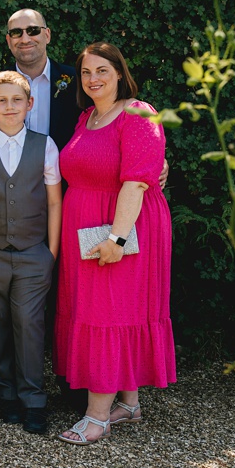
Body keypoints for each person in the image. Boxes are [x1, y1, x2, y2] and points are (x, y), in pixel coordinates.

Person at [54, 42, 176, 444]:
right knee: (102, 309)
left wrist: (116, 238)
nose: (94, 79)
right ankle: (128, 403)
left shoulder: (138, 112)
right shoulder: (88, 116)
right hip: (86, 227)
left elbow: (137, 180)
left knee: (109, 312)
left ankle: (97, 417)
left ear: (120, 73)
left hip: (124, 226)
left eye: (102, 70)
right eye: (87, 72)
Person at [0, 69, 62, 433]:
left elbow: (54, 202)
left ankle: (34, 399)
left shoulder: (45, 145)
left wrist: (51, 252)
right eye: (2, 101)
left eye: (17, 100)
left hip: (33, 253)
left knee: (30, 325)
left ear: (29, 104)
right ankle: (6, 394)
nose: (10, 107)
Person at [0, 8, 77, 150]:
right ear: (8, 41)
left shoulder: (76, 81)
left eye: (33, 30)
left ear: (47, 35)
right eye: (16, 33)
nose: (25, 39)